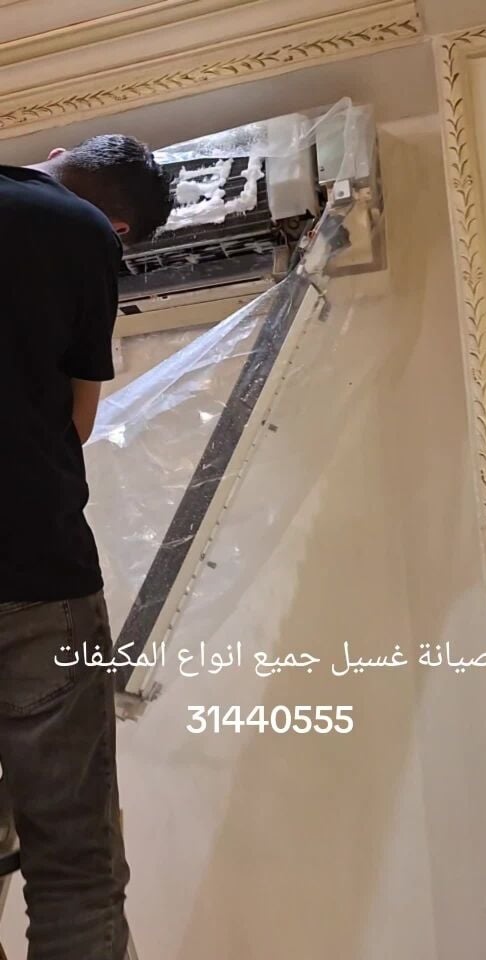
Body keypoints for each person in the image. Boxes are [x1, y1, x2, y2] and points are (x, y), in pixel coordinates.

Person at [0, 136, 173, 959]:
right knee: (72, 866)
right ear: (120, 229)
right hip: (35, 576)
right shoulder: (80, 233)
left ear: (59, 151)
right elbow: (77, 420)